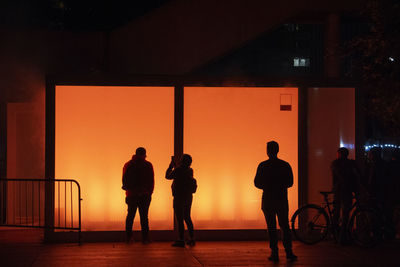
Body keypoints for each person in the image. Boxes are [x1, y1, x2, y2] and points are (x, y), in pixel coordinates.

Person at [254, 141, 297, 262]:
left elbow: (257, 183)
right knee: (285, 225)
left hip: (268, 199)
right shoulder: (285, 165)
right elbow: (290, 182)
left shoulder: (263, 165)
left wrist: (268, 185)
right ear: (278, 150)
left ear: (268, 151)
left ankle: (274, 252)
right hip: (281, 199)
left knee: (271, 227)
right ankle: (288, 251)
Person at [122, 147, 154, 244]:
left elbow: (124, 180)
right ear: (144, 154)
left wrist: (130, 191)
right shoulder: (148, 165)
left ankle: (129, 237)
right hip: (144, 195)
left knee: (130, 216)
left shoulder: (128, 164)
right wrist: (149, 192)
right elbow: (151, 181)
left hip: (131, 195)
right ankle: (145, 238)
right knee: (144, 217)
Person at [331, 147, 361, 244]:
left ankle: (335, 235)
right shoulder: (351, 163)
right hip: (347, 191)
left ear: (339, 154)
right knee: (346, 214)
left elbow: (338, 175)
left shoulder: (335, 163)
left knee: (336, 212)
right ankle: (342, 236)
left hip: (338, 190)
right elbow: (357, 176)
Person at [166, 154, 196, 247]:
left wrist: (170, 167)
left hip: (178, 196)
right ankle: (191, 238)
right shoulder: (190, 170)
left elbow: (168, 176)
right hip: (188, 196)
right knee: (187, 217)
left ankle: (181, 239)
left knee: (179, 219)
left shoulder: (178, 170)